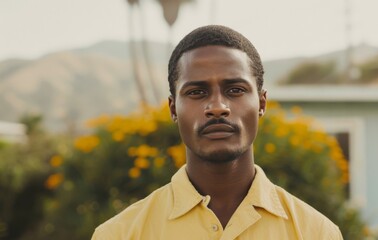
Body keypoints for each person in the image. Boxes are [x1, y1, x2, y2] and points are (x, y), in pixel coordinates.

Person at [92, 25, 343, 240]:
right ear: (173, 109)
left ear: (262, 104)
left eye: (234, 90)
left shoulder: (316, 232)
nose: (217, 107)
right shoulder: (119, 234)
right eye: (197, 92)